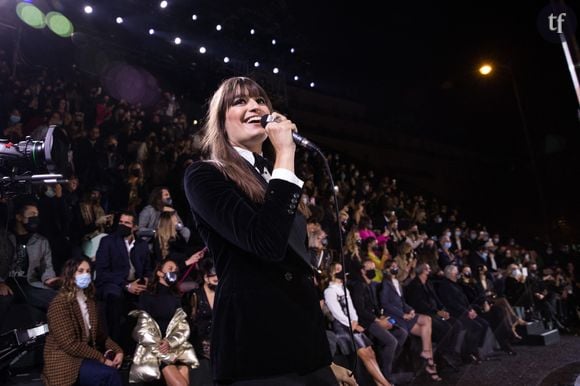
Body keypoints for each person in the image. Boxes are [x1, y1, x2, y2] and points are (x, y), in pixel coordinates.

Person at [184, 77, 335, 385]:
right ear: (220, 120)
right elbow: (265, 242)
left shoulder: (275, 173)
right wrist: (285, 153)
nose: (254, 106)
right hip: (257, 344)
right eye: (239, 101)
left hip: (307, 345)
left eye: (260, 100)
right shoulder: (205, 175)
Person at [42, 257, 123, 386]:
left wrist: (118, 350)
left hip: (84, 357)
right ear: (71, 275)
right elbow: (70, 344)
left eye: (88, 271)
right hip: (65, 360)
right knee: (109, 375)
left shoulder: (90, 301)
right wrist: (101, 358)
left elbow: (100, 335)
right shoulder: (59, 304)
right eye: (80, 271)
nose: (85, 274)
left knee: (113, 372)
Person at [130, 259, 198, 385]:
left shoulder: (176, 296)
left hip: (173, 347)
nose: (174, 272)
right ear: (160, 273)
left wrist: (170, 342)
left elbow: (181, 326)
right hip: (156, 349)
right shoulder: (147, 295)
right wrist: (161, 345)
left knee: (184, 375)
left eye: (176, 271)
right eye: (170, 269)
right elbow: (141, 328)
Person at [324, 263, 392, 386]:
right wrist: (351, 324)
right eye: (338, 269)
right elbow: (337, 312)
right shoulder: (329, 291)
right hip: (342, 328)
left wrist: (355, 321)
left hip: (352, 324)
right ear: (332, 273)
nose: (342, 272)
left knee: (371, 352)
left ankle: (380, 383)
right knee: (365, 355)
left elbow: (352, 308)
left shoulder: (344, 289)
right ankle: (386, 384)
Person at [379, 261, 442, 381]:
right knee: (427, 321)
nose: (395, 268)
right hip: (394, 317)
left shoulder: (397, 282)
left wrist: (410, 310)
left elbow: (402, 301)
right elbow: (385, 304)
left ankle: (427, 355)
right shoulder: (385, 284)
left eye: (396, 266)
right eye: (392, 267)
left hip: (404, 314)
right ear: (386, 270)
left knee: (426, 327)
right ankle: (429, 362)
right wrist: (403, 314)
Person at [95, 211, 151, 346]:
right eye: (121, 222)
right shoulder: (107, 241)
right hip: (113, 283)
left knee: (153, 298)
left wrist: (147, 280)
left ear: (135, 227)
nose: (122, 225)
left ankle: (143, 348)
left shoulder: (141, 245)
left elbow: (149, 269)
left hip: (136, 283)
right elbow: (102, 272)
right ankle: (114, 346)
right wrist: (126, 286)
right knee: (115, 296)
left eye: (127, 223)